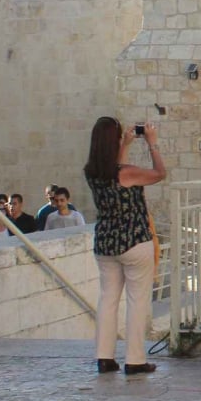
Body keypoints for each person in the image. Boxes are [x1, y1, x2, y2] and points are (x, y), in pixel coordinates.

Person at [84, 117, 166, 375]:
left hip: (106, 242)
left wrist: (127, 144)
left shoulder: (91, 171)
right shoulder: (127, 173)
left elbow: (112, 167)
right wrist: (152, 144)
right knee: (137, 300)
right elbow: (159, 174)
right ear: (114, 140)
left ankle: (104, 357)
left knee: (108, 300)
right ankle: (135, 359)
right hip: (133, 241)